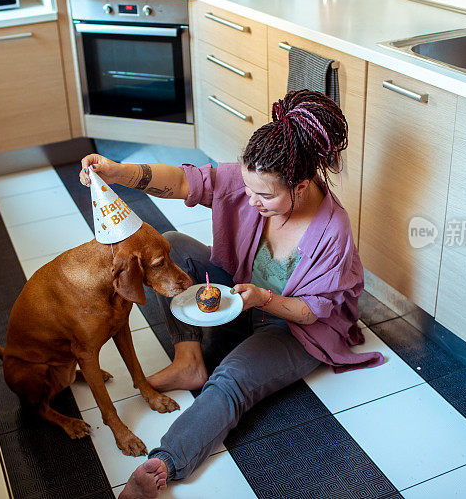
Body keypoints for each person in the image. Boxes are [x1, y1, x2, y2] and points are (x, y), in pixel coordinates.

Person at [78, 90, 384, 498]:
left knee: (233, 380)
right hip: (243, 295)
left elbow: (313, 312)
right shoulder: (254, 184)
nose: (251, 200)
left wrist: (263, 299)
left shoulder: (333, 231)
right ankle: (189, 363)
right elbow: (186, 180)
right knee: (176, 245)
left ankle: (164, 462)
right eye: (247, 187)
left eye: (265, 196)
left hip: (294, 327)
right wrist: (119, 172)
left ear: (301, 185)